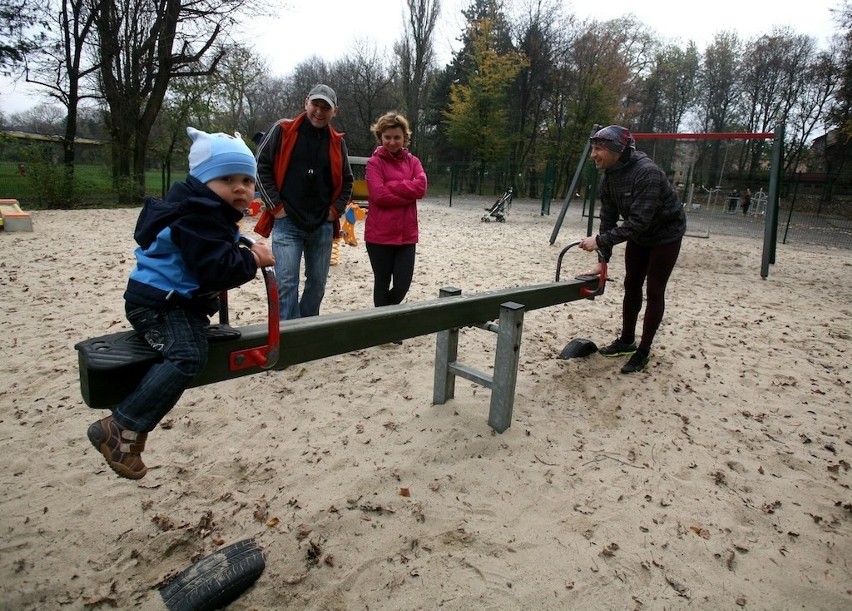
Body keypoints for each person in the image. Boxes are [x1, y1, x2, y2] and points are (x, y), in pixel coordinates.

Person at [87, 127, 274, 479]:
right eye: (226, 178)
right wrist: (254, 260)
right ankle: (120, 427)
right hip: (159, 304)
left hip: (169, 300)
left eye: (247, 180)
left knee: (192, 347)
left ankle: (126, 423)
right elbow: (216, 270)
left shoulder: (204, 212)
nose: (239, 187)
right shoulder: (198, 217)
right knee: (187, 356)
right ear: (202, 181)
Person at [578, 125, 686, 374]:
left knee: (655, 290)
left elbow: (638, 222)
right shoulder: (609, 176)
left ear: (617, 150)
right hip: (640, 234)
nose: (593, 155)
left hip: (665, 234)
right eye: (592, 149)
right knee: (631, 284)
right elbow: (607, 219)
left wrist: (599, 240)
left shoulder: (647, 173)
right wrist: (602, 260)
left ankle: (643, 351)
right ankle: (626, 341)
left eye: (598, 149)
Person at [255, 84, 354, 320]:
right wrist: (276, 207)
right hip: (288, 222)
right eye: (315, 105)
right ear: (306, 102)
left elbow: (348, 180)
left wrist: (334, 211)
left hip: (321, 223)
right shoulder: (283, 130)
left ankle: (307, 329)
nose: (319, 112)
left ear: (334, 111)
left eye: (325, 108)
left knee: (317, 284)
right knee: (287, 283)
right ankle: (289, 335)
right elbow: (260, 165)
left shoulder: (337, 142)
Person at [363, 112, 427, 319]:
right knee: (382, 281)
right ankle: (385, 327)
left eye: (397, 137)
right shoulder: (374, 163)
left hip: (406, 235)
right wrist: (408, 192)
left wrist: (392, 186)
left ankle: (382, 320)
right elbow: (379, 195)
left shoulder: (414, 162)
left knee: (402, 284)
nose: (392, 141)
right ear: (380, 137)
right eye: (387, 137)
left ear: (404, 138)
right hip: (379, 235)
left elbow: (422, 188)